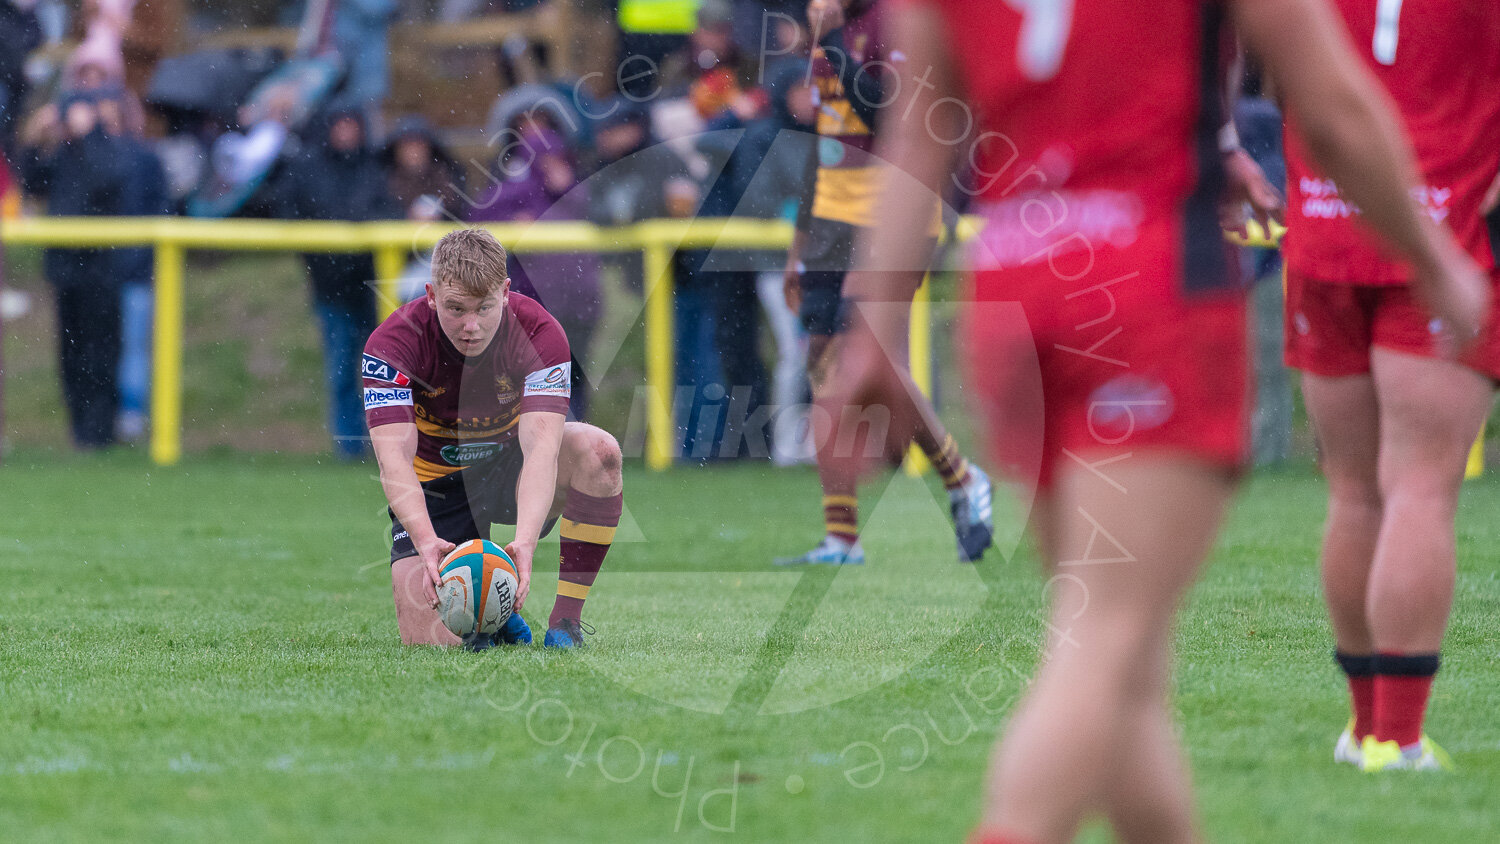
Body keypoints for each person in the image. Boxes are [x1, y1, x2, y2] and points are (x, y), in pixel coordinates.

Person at [821, 0, 1489, 841]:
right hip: (1148, 284)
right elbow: (1333, 106)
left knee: (1123, 664)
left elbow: (920, 130)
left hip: (1013, 283)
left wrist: (874, 324)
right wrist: (1433, 258)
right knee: (1106, 631)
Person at [1280, 0, 1500, 772]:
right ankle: (1398, 739)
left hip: (1322, 227)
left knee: (1353, 491)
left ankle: (1365, 729)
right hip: (1443, 230)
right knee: (1419, 488)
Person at [776, 0, 992, 565]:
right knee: (824, 363)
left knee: (862, 357)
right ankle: (842, 537)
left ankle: (962, 478)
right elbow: (825, 143)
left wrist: (832, 38)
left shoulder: (899, 21)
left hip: (894, 218)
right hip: (830, 221)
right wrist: (799, 246)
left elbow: (885, 114)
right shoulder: (832, 30)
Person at [364, 228, 624, 650]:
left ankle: (565, 623)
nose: (471, 326)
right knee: (432, 646)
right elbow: (393, 459)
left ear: (505, 292)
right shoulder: (392, 344)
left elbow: (541, 450)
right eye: (455, 308)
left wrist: (523, 542)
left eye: (484, 307)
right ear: (430, 295)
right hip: (436, 488)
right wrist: (427, 542)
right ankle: (493, 623)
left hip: (510, 469)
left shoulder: (540, 333)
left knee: (598, 451)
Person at [272, 106, 396, 460]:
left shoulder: (373, 168)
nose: (345, 133)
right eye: (339, 125)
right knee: (341, 366)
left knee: (384, 373)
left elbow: (387, 209)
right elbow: (288, 211)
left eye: (351, 125)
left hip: (373, 284)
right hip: (329, 285)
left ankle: (386, 447)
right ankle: (348, 447)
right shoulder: (307, 169)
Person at [17, 91, 129, 449]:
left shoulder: (110, 149)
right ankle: (80, 431)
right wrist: (36, 137)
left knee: (102, 352)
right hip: (67, 271)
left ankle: (101, 431)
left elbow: (106, 180)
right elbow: (30, 180)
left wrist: (89, 133)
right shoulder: (61, 154)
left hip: (101, 270)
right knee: (72, 354)